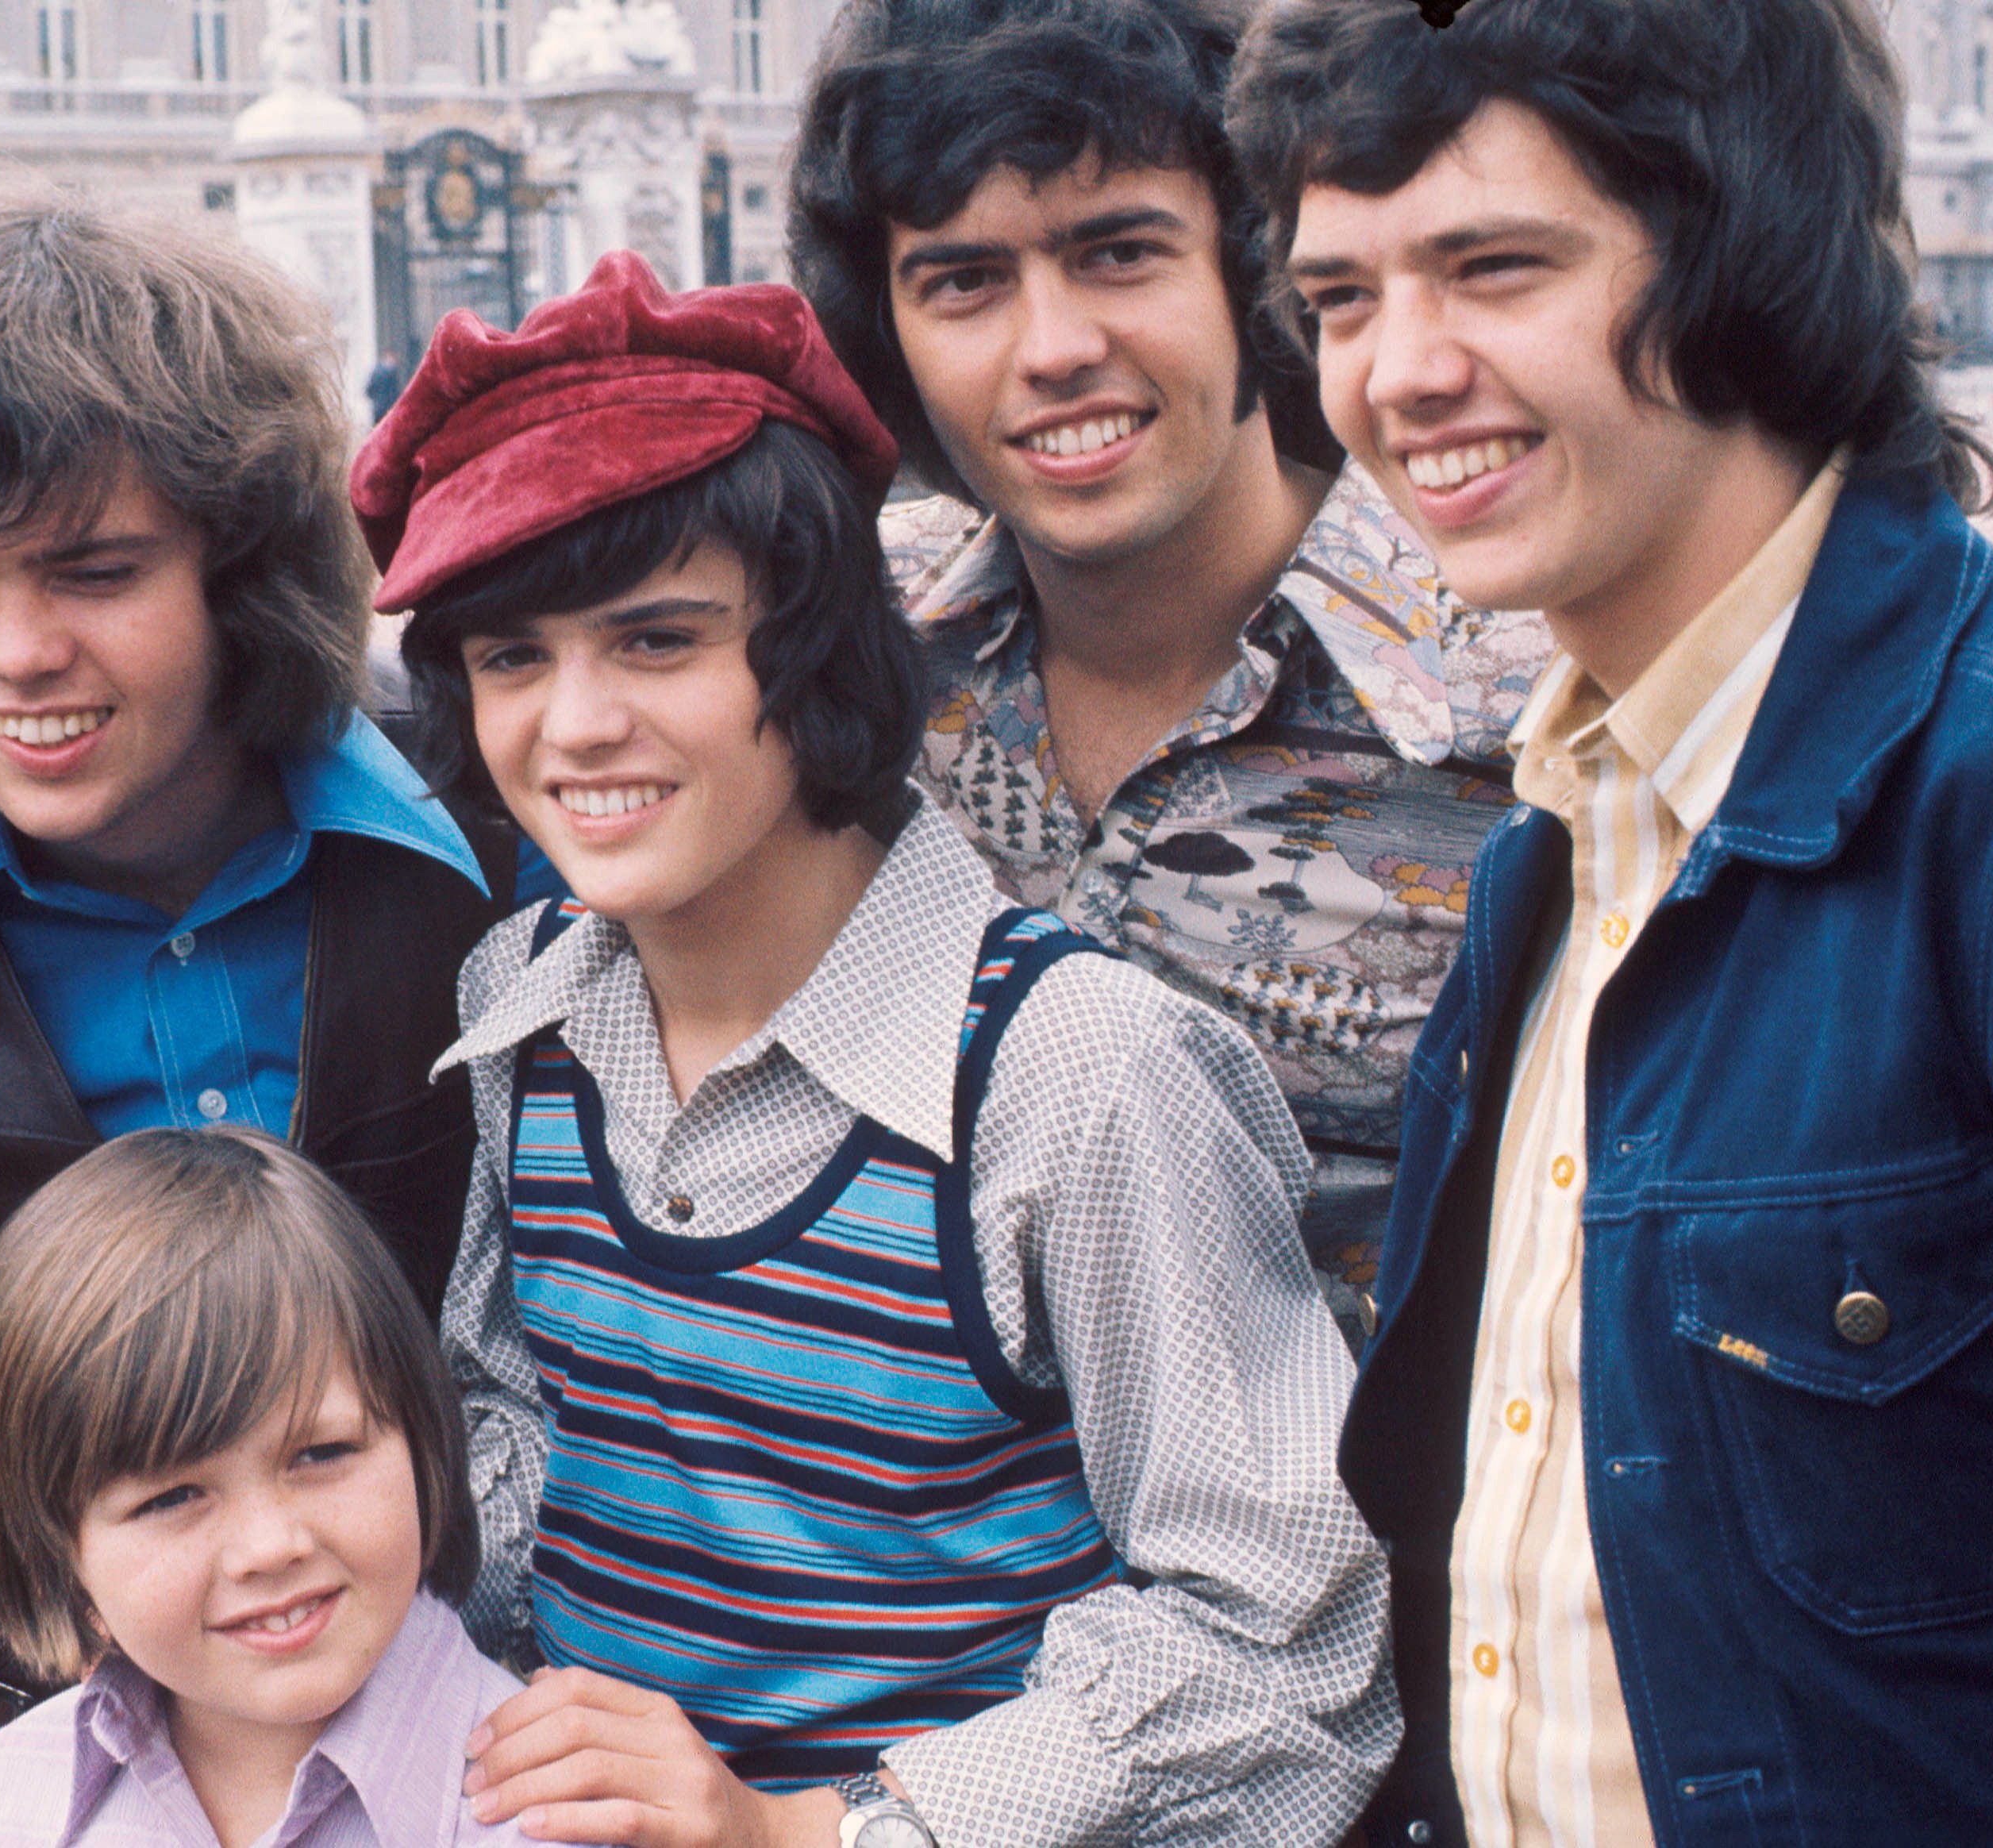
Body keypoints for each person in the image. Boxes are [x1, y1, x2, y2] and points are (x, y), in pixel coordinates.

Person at [358, 250, 1393, 1848]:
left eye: (656, 643)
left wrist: (811, 1833)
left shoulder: (1074, 1079)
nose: (572, 728)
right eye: (513, 658)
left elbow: (1285, 1644)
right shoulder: (525, 1003)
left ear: (818, 650)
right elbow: (528, 1440)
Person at [1231, 0, 1993, 1838]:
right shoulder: (1550, 841)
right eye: (1337, 300)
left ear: (1737, 255)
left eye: (1489, 267)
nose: (1395, 371)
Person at [0, 188, 514, 1848]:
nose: (21, 654)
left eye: (97, 569)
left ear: (240, 569)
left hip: (474, 1742)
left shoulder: (488, 822)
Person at [788, 0, 1552, 1342]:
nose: (1055, 346)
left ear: (1256, 266)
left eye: (1120, 252)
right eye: (964, 281)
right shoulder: (841, 650)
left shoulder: (1525, 699)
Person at [0, 1126, 574, 1848]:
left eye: (321, 1453)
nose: (271, 1547)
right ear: (56, 1554)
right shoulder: (8, 1800)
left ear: (425, 1443)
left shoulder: (553, 1817)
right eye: (172, 1497)